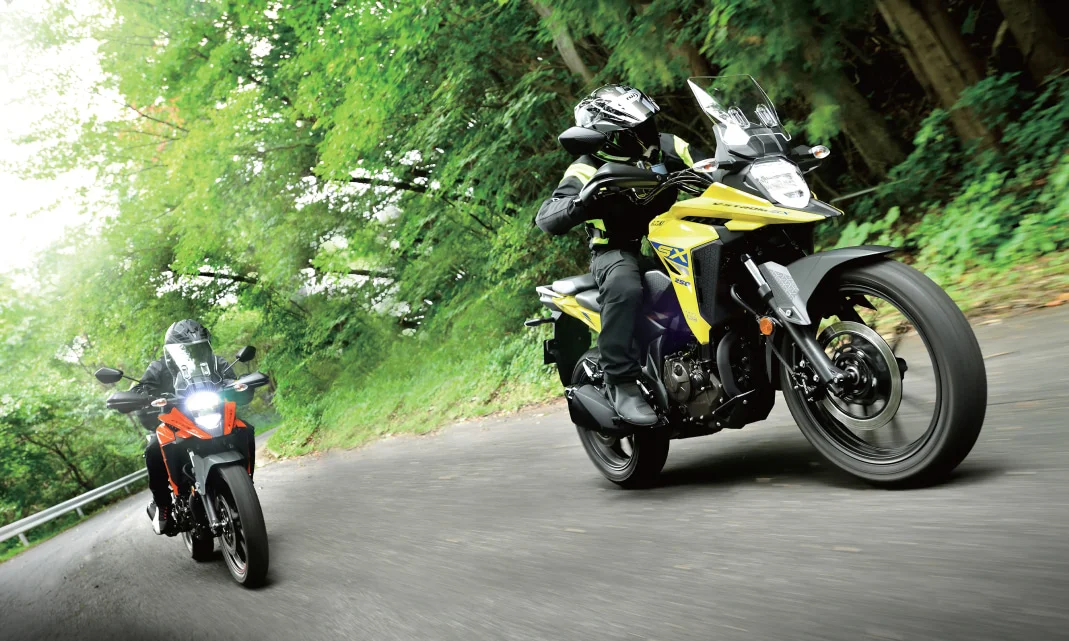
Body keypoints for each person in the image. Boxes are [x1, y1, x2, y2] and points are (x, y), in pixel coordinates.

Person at [536, 84, 706, 427]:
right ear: (609, 138)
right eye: (635, 131)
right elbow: (547, 215)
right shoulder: (586, 167)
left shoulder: (670, 146)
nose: (647, 134)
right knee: (624, 286)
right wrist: (581, 201)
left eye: (647, 124)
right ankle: (621, 381)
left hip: (673, 236)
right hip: (616, 249)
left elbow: (709, 165)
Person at [134, 319, 255, 535]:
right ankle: (163, 507)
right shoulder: (159, 367)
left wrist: (241, 384)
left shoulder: (215, 362)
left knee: (245, 428)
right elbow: (141, 389)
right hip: (177, 422)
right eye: (187, 349)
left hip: (212, 415)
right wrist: (140, 396)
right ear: (171, 350)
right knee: (153, 448)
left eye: (199, 347)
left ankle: (246, 484)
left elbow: (230, 379)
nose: (194, 353)